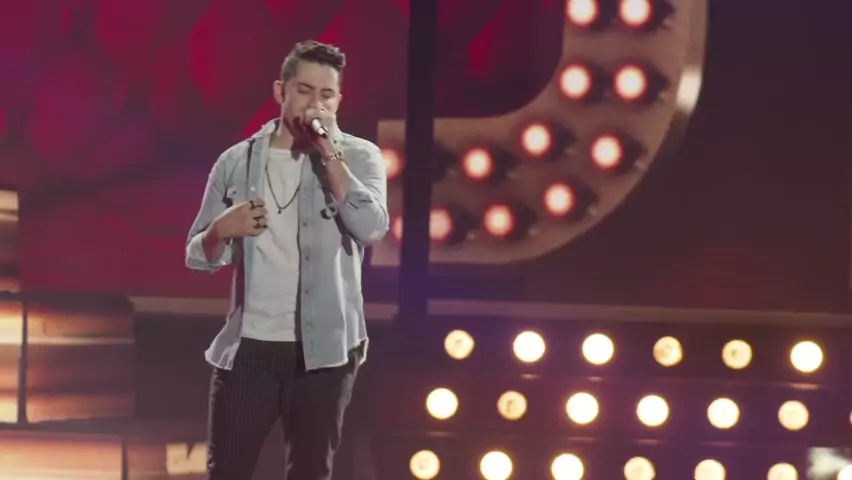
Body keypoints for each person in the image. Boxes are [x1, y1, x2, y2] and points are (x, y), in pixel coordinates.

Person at [184, 39, 389, 479]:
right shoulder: (236, 162)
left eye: (326, 94)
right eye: (304, 91)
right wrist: (221, 229)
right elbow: (197, 255)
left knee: (310, 471)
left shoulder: (360, 156)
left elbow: (372, 227)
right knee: (228, 469)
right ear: (281, 91)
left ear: (338, 101)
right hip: (252, 347)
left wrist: (329, 153)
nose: (315, 104)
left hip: (325, 350)